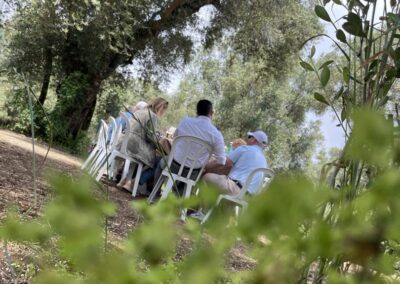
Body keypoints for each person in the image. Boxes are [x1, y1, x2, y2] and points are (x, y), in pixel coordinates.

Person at [152, 99, 226, 195]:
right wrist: (205, 166)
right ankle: (179, 204)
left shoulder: (185, 121)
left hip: (173, 165)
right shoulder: (216, 134)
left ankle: (155, 195)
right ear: (211, 113)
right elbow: (222, 161)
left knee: (161, 163)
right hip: (193, 173)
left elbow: (175, 137)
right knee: (191, 176)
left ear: (197, 111)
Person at [118, 97, 169, 190]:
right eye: (164, 110)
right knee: (157, 161)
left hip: (123, 141)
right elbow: (150, 137)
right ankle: (132, 183)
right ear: (160, 107)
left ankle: (127, 180)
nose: (163, 113)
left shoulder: (140, 111)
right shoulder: (153, 116)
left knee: (149, 155)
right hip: (133, 145)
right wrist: (158, 142)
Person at [203, 130, 268, 196]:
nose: (247, 139)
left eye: (249, 137)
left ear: (253, 140)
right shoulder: (264, 161)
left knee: (206, 177)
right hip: (247, 197)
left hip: (235, 189)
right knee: (221, 181)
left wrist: (206, 167)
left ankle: (203, 206)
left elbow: (224, 163)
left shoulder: (245, 148)